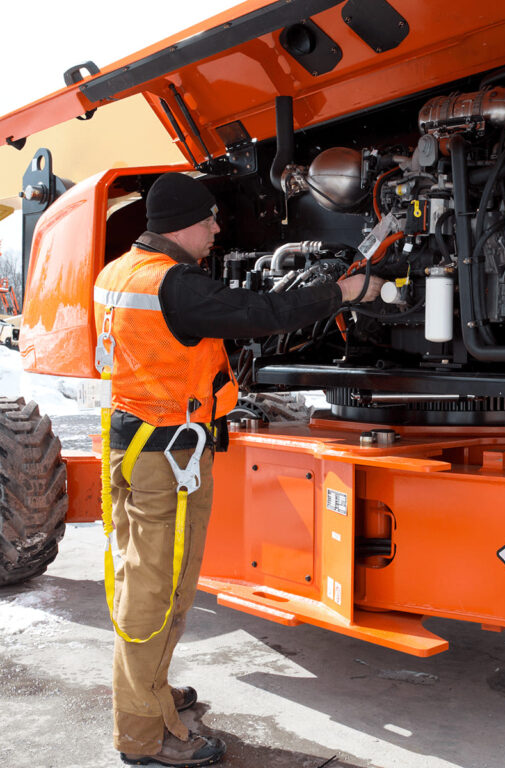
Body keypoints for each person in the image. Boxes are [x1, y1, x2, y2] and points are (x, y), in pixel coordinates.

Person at [94, 172, 382, 767]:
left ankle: (149, 691)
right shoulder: (175, 285)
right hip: (166, 457)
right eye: (209, 219)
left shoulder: (119, 272)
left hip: (135, 446)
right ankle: (144, 734)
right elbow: (261, 312)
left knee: (145, 581)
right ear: (183, 225)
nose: (217, 228)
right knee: (157, 592)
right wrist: (344, 291)